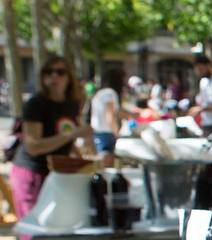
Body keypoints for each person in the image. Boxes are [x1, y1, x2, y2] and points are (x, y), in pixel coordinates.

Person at [10, 57, 92, 219]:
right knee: (36, 228)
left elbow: (66, 141)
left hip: (56, 173)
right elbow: (33, 147)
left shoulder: (71, 104)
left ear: (69, 77)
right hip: (32, 172)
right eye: (49, 72)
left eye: (60, 72)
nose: (54, 76)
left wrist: (83, 162)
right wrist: (73, 134)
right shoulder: (36, 104)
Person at [88, 69, 126, 160]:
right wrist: (117, 133)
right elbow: (110, 116)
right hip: (106, 134)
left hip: (98, 132)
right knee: (107, 164)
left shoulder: (100, 93)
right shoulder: (110, 93)